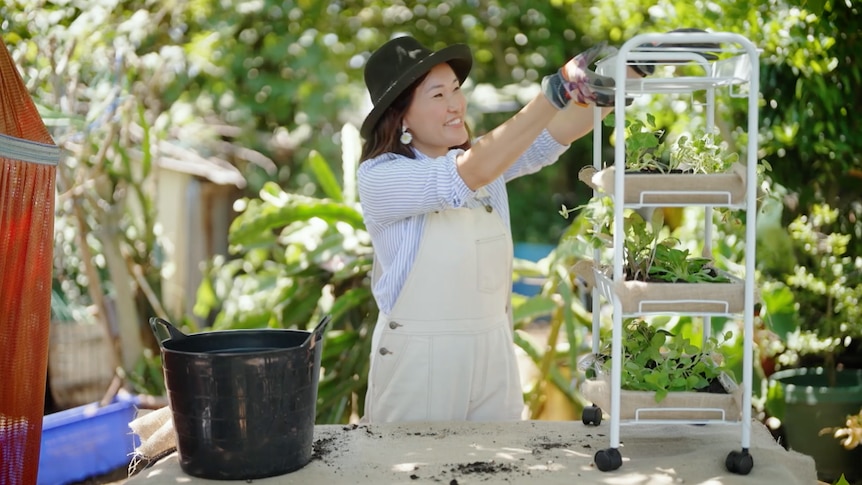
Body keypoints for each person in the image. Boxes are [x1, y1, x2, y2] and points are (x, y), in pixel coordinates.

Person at [357, 35, 639, 423]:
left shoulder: (486, 163)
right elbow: (464, 174)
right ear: (401, 116)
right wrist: (554, 91)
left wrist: (627, 73)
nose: (456, 104)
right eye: (437, 95)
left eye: (456, 90)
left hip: (493, 351)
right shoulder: (381, 177)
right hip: (418, 362)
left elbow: (553, 134)